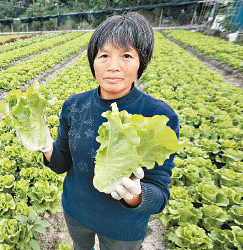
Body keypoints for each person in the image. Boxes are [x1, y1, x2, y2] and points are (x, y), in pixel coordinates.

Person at [31, 12, 180, 250]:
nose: (113, 66)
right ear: (92, 60)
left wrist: (135, 194)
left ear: (142, 60)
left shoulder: (159, 116)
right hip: (76, 213)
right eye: (104, 55)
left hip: (123, 228)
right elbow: (61, 164)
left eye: (127, 55)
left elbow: (160, 195)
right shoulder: (74, 105)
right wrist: (47, 147)